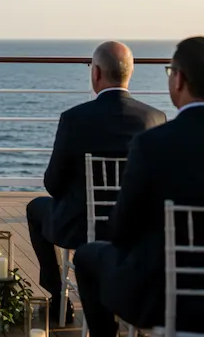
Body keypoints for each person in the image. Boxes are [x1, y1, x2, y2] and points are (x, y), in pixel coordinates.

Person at [25, 41, 165, 323]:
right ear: (130, 73)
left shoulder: (75, 119)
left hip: (79, 228)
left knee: (35, 208)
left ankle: (57, 296)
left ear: (96, 73)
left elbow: (53, 184)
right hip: (133, 231)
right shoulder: (155, 118)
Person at [75, 37, 204, 336]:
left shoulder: (153, 145)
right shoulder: (152, 131)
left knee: (87, 256)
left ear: (179, 79)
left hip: (162, 298)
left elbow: (122, 230)